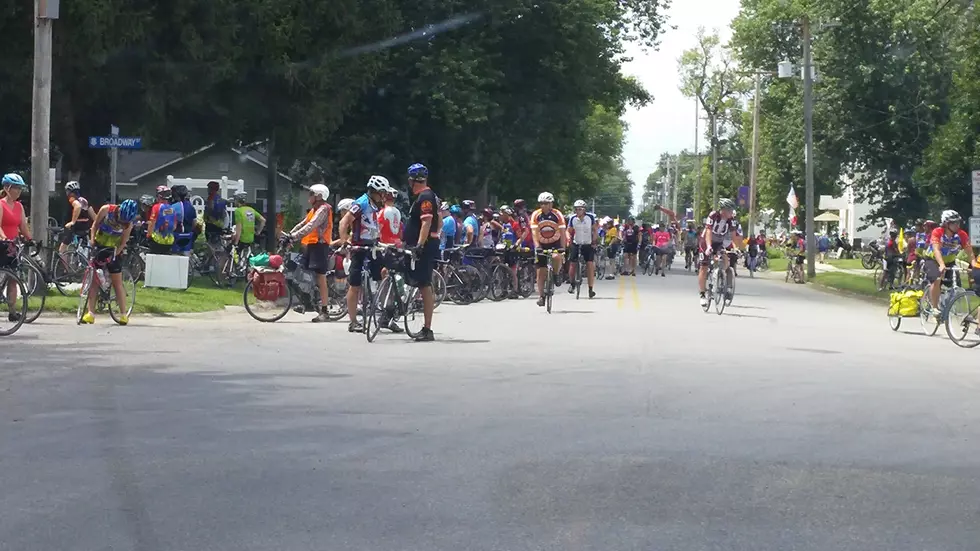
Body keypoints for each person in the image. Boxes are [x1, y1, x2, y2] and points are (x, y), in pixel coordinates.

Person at [339, 175, 387, 333]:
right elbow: (344, 222)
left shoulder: (375, 205)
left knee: (383, 274)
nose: (384, 196)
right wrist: (344, 240)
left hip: (373, 245)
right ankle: (353, 321)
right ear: (374, 191)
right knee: (354, 285)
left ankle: (385, 312)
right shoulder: (361, 203)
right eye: (382, 192)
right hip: (359, 248)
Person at [80, 199, 138, 325]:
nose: (121, 223)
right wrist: (92, 241)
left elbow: (123, 242)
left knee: (117, 282)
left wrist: (115, 254)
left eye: (124, 222)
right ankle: (90, 313)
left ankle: (123, 314)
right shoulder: (106, 210)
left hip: (114, 250)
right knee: (94, 281)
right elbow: (94, 225)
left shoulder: (129, 224)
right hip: (99, 245)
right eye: (120, 219)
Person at [284, 184, 334, 323]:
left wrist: (294, 237)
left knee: (320, 277)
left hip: (320, 245)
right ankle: (307, 302)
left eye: (311, 194)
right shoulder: (314, 210)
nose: (309, 197)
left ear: (319, 196)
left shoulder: (324, 209)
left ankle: (324, 311)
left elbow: (311, 225)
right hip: (311, 245)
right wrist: (290, 234)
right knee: (302, 272)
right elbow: (303, 223)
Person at [403, 163, 441, 341]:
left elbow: (427, 222)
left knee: (424, 284)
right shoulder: (425, 196)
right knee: (419, 282)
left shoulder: (425, 197)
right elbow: (438, 220)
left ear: (412, 181)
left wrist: (419, 245)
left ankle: (427, 328)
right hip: (421, 243)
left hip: (424, 246)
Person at [924, 210, 976, 314]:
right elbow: (936, 250)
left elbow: (970, 253)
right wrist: (941, 264)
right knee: (937, 279)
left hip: (950, 261)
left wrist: (975, 266)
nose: (957, 225)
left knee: (956, 285)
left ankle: (947, 306)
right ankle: (934, 308)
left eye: (958, 222)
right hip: (934, 260)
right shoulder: (937, 232)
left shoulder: (962, 234)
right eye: (954, 223)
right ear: (946, 224)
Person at [0, 173, 33, 322]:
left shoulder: (19, 206)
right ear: (7, 188)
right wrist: (4, 238)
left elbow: (23, 227)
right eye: (16, 188)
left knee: (13, 278)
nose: (19, 191)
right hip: (3, 244)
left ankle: (13, 312)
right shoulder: (1, 204)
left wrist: (31, 239)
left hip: (14, 246)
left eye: (20, 188)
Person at [698, 198, 743, 307]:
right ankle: (702, 294)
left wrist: (737, 248)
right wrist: (708, 247)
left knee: (726, 259)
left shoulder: (730, 220)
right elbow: (708, 231)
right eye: (730, 210)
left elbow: (733, 236)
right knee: (703, 267)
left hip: (719, 241)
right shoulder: (713, 215)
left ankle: (720, 278)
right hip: (706, 241)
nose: (731, 212)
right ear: (723, 210)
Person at [530, 191, 566, 307]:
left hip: (555, 242)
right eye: (541, 203)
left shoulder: (557, 214)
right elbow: (534, 233)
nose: (543, 206)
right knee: (540, 272)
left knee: (556, 257)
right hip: (541, 243)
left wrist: (563, 248)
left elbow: (562, 232)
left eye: (546, 203)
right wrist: (537, 247)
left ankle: (555, 273)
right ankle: (541, 297)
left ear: (551, 204)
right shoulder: (536, 215)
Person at [566, 199, 597, 298]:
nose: (578, 211)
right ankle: (572, 283)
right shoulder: (572, 218)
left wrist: (594, 241)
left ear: (584, 210)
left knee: (590, 264)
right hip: (576, 242)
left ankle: (590, 289)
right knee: (572, 264)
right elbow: (568, 230)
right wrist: (569, 239)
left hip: (588, 243)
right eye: (576, 209)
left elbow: (595, 230)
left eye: (580, 209)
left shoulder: (590, 217)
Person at [60, 181, 97, 253]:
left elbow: (77, 206)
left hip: (74, 228)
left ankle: (63, 263)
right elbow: (93, 216)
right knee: (84, 250)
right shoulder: (84, 201)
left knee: (62, 249)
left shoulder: (72, 199)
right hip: (85, 229)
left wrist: (72, 221)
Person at [146, 185, 177, 255]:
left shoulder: (156, 207)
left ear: (159, 196)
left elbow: (152, 223)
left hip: (157, 240)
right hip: (169, 241)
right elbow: (174, 227)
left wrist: (148, 235)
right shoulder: (172, 209)